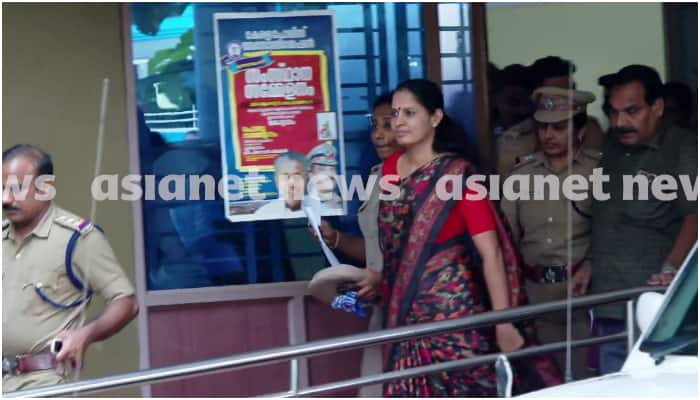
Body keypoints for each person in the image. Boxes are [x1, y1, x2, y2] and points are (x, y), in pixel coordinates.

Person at [373, 79, 560, 396]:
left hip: (454, 316)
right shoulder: (390, 169)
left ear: (434, 118)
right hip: (403, 314)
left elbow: (492, 254)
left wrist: (503, 323)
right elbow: (394, 246)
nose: (399, 122)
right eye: (395, 113)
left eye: (409, 113)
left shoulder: (458, 174)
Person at [2, 144, 138, 391]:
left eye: (16, 189)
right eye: (2, 189)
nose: (6, 199)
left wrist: (85, 335)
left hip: (45, 382)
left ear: (45, 188)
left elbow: (126, 302)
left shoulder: (77, 239)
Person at [591, 65, 698, 374]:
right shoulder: (612, 148)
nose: (620, 122)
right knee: (611, 387)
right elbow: (606, 217)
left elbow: (695, 215)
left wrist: (671, 269)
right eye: (613, 113)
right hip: (609, 301)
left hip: (656, 311)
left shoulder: (682, 148)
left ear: (658, 107)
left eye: (631, 111)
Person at [501, 86, 600, 380]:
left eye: (559, 127)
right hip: (536, 298)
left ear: (580, 130)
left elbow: (612, 232)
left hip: (583, 296)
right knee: (544, 383)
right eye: (543, 127)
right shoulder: (521, 175)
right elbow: (507, 239)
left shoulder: (598, 171)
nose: (549, 135)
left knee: (586, 383)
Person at [310, 93, 401, 396]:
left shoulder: (428, 179)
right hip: (383, 303)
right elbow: (374, 247)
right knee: (374, 387)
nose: (378, 134)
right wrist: (334, 239)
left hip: (416, 305)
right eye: (374, 125)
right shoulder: (376, 176)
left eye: (388, 124)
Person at [529, 56, 606, 150]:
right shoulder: (517, 137)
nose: (568, 97)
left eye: (570, 89)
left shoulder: (591, 128)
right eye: (558, 93)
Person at [493, 64, 536, 179]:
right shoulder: (484, 132)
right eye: (514, 102)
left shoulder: (541, 136)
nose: (523, 110)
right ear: (495, 99)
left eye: (528, 103)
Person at [256, 151, 307, 219]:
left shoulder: (320, 211)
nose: (291, 184)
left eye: (296, 176)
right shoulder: (264, 214)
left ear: (307, 177)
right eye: (285, 176)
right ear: (276, 179)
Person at [306, 142, 342, 210]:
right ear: (311, 175)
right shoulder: (303, 205)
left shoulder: (339, 202)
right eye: (321, 169)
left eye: (332, 169)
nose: (328, 174)